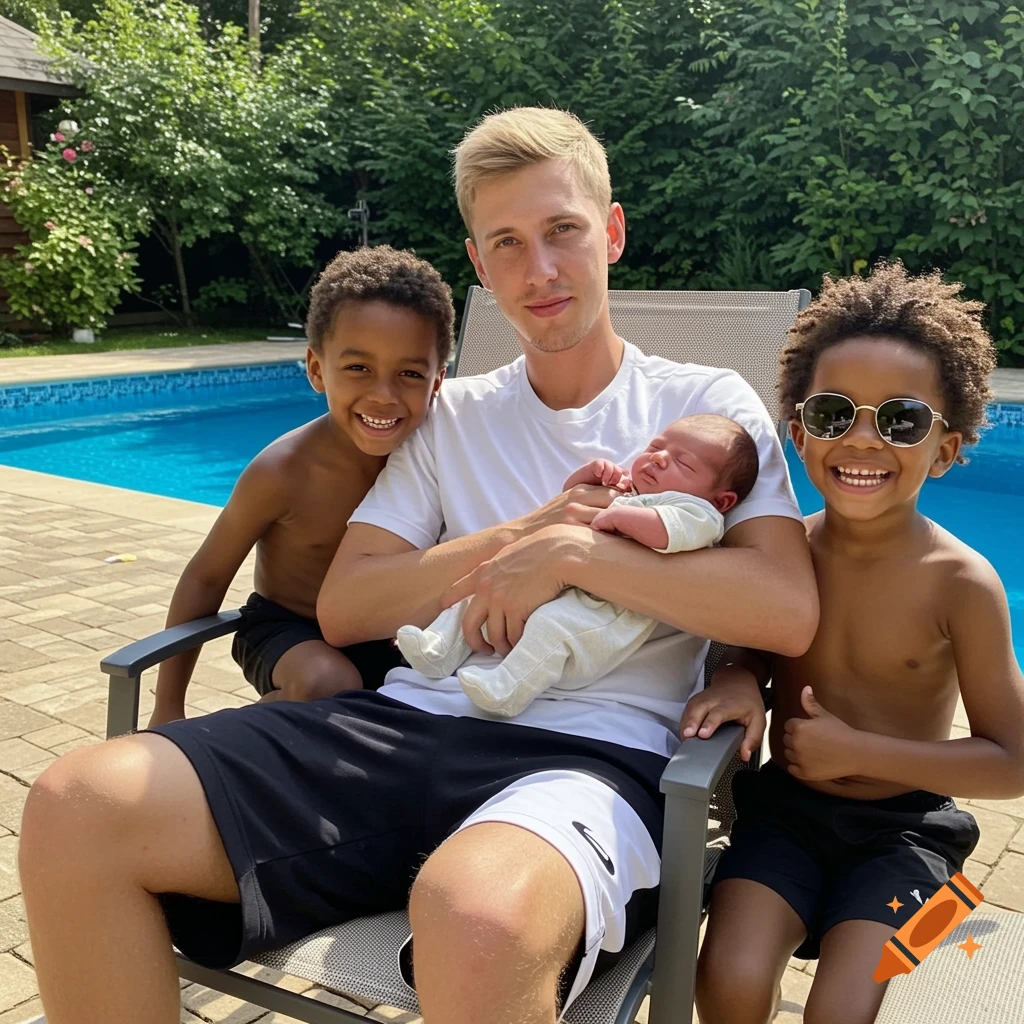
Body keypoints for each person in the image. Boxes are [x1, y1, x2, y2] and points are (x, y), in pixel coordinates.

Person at [20, 106, 818, 1024]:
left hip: (590, 760)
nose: (540, 269)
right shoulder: (450, 415)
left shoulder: (704, 408)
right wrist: (528, 533)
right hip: (403, 727)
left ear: (613, 231)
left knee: (475, 915)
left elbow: (783, 608)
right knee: (75, 806)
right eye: (507, 243)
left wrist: (573, 557)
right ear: (479, 265)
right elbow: (350, 605)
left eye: (562, 230)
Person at [693, 262, 1024, 1024]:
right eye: (836, 414)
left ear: (946, 448)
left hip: (910, 837)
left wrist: (862, 755)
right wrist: (740, 677)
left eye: (901, 420)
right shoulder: (782, 557)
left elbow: (1012, 761)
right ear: (801, 434)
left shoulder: (961, 584)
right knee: (729, 980)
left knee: (841, 1010)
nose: (864, 440)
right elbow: (746, 647)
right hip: (784, 815)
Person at [147, 246, 454, 726]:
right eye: (358, 368)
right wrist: (168, 705)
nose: (382, 395)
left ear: (437, 383)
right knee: (327, 683)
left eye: (411, 374)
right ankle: (211, 749)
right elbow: (205, 577)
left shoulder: (442, 458)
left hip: (388, 634)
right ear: (316, 369)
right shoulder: (284, 470)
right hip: (288, 629)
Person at [397, 413, 758, 717]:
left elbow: (664, 533)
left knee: (550, 628)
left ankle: (506, 690)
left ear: (722, 499)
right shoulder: (632, 491)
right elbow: (567, 503)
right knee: (488, 581)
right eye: (655, 447)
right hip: (556, 588)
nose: (660, 458)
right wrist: (586, 480)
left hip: (601, 617)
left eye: (683, 462)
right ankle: (438, 649)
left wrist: (617, 515)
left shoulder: (699, 513)